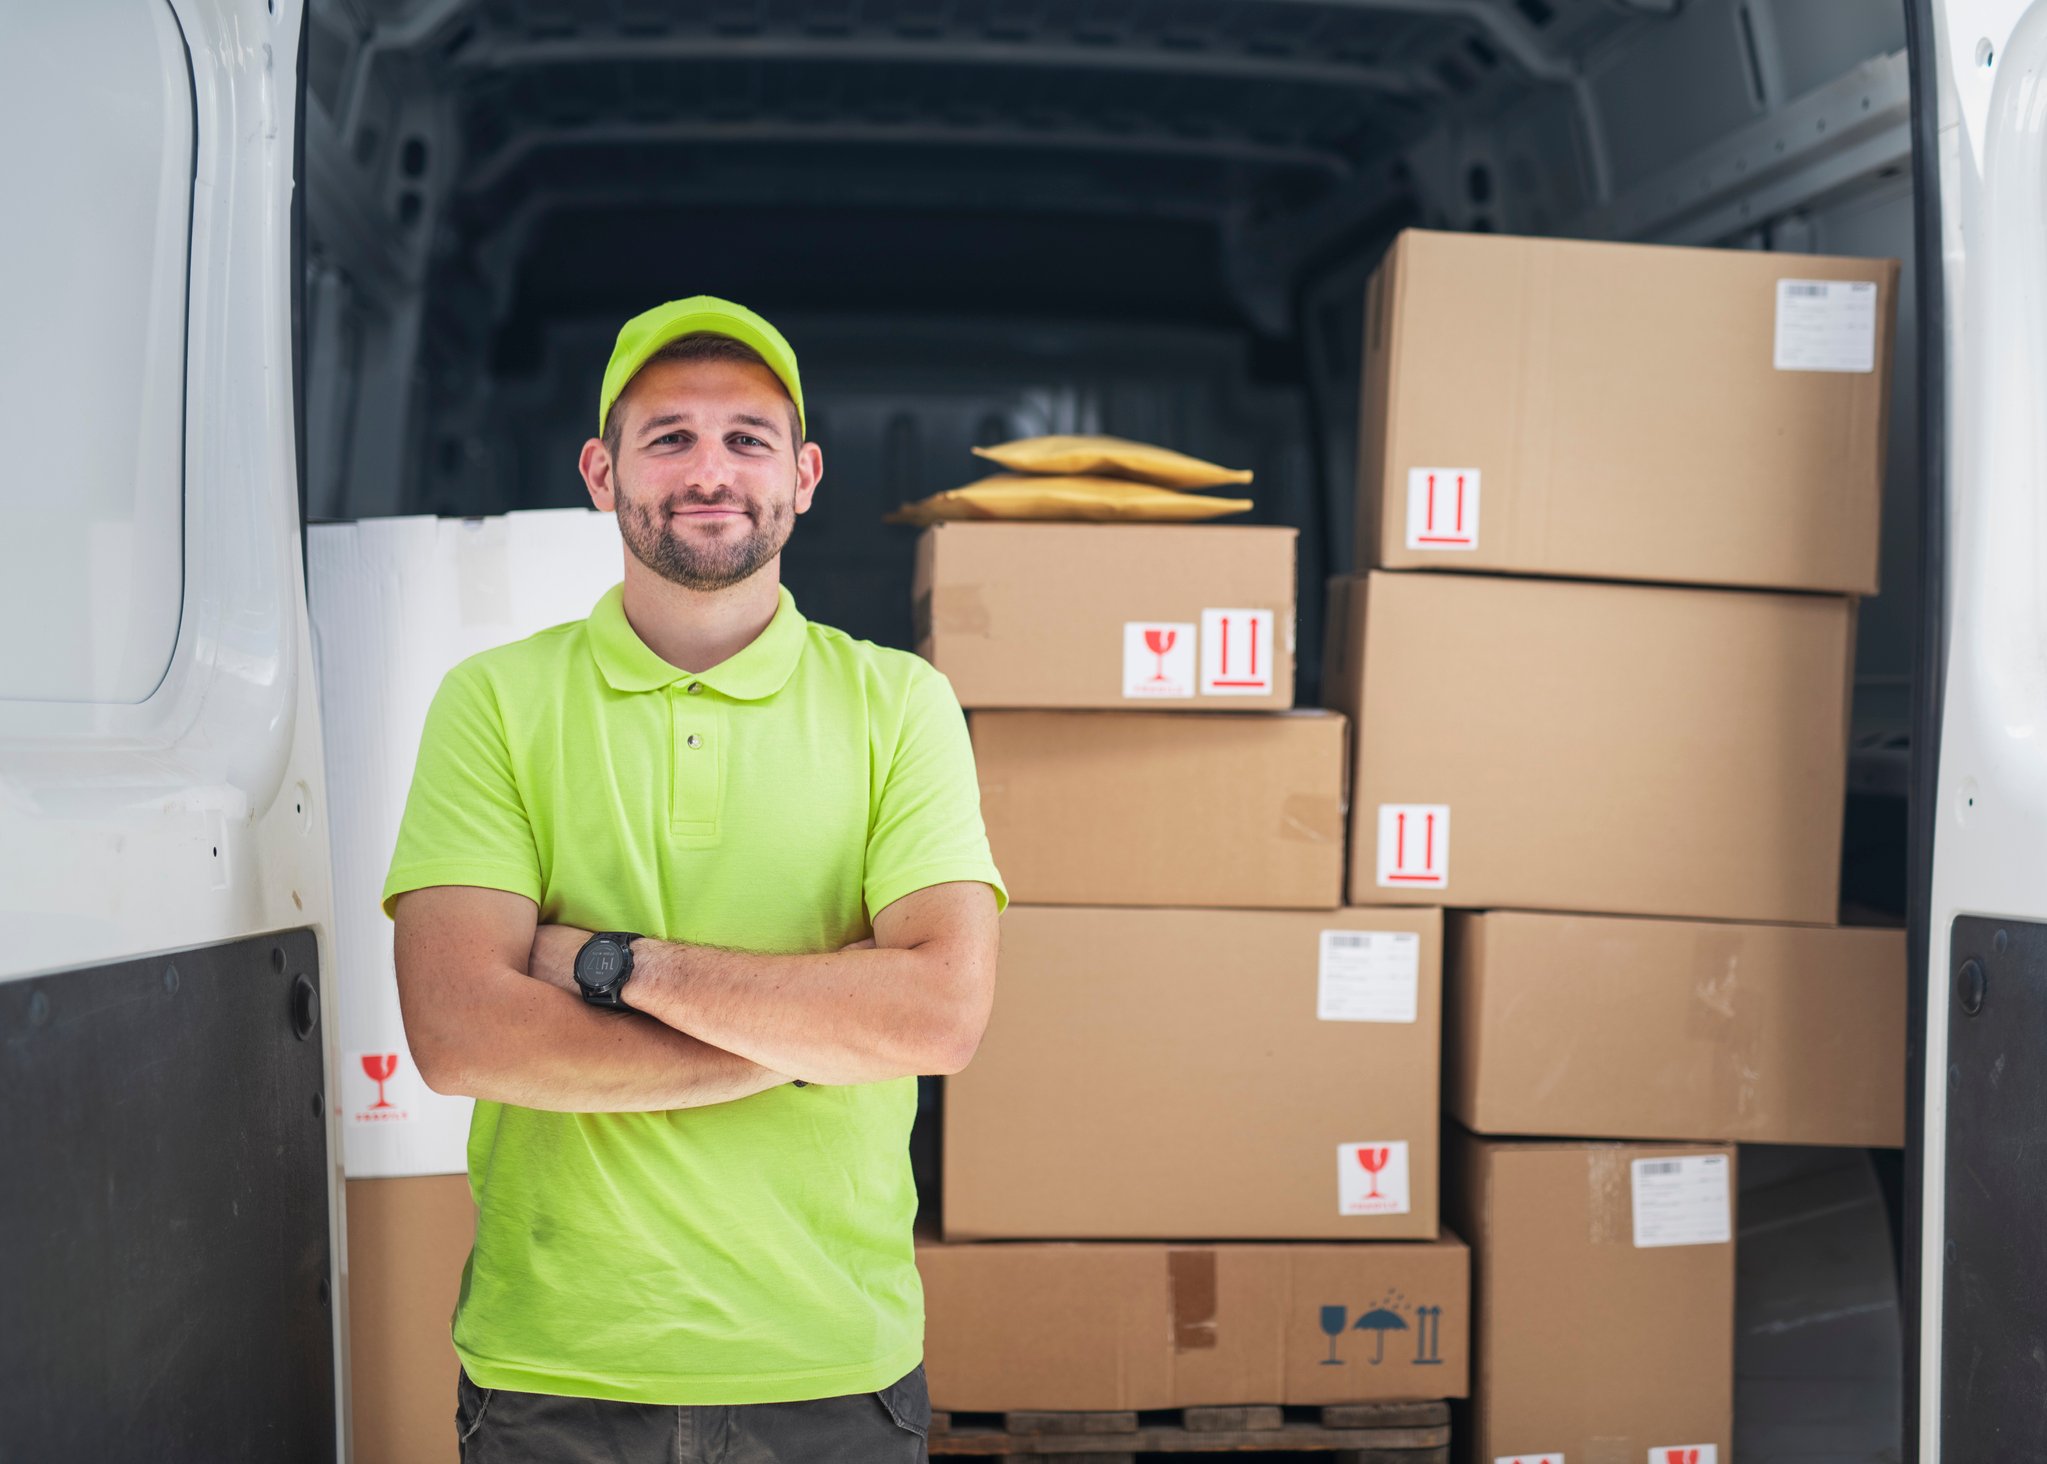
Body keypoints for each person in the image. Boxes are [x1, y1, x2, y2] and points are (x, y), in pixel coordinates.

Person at [382, 296, 1005, 1462]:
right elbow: (462, 1032)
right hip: (553, 1373)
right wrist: (812, 1032)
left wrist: (609, 966)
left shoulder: (897, 706)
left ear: (804, 475)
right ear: (600, 471)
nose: (709, 469)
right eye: (667, 437)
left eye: (747, 438)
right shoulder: (497, 702)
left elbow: (939, 1014)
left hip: (832, 1372)